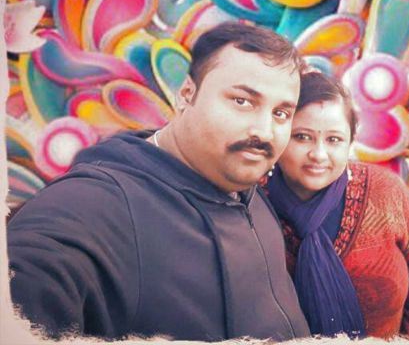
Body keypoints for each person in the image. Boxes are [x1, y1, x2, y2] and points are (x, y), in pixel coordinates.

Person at [7, 22, 310, 341]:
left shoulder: (246, 184)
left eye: (281, 113)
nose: (264, 131)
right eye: (242, 101)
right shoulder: (98, 204)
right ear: (187, 95)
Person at [266, 71, 409, 340]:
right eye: (302, 137)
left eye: (334, 139)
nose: (319, 154)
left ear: (350, 142)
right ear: (279, 136)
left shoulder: (386, 192)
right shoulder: (250, 206)